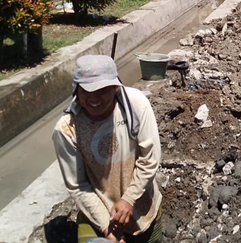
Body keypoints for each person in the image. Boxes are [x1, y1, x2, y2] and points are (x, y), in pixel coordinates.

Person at [52, 55, 163, 242]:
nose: (93, 99)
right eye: (86, 91)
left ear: (115, 87)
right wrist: (106, 227)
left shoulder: (136, 105)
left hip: (144, 211)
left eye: (102, 90)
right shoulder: (67, 129)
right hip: (98, 215)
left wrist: (129, 198)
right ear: (76, 90)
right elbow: (78, 185)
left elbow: (149, 159)